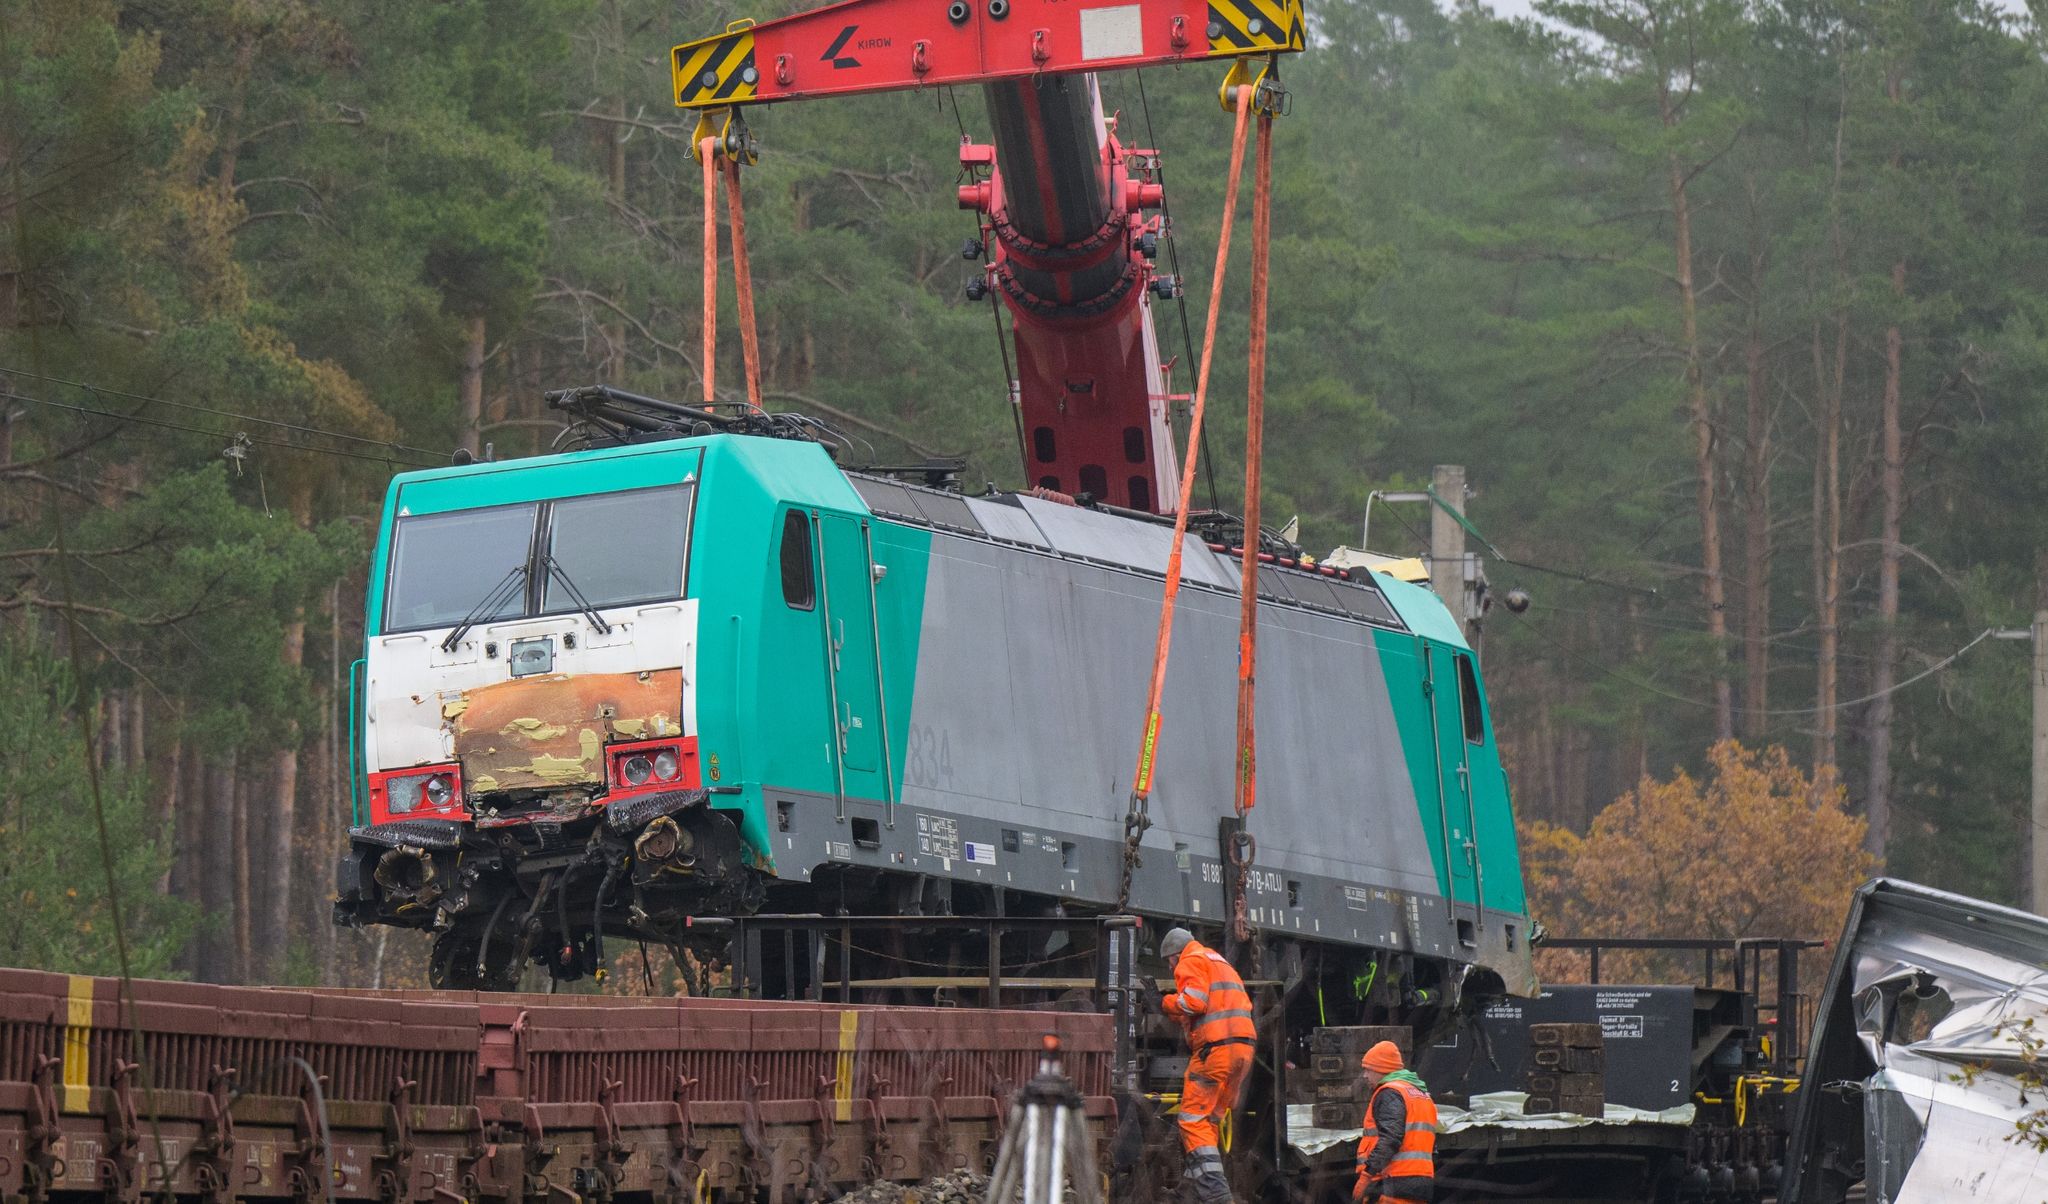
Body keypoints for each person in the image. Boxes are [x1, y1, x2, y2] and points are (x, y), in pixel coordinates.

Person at [1159, 927, 1255, 1204]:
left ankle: (1217, 1195)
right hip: (1242, 1051)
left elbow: (1194, 1002)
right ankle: (1187, 1193)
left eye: (1169, 961)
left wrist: (1164, 1003)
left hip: (1215, 1052)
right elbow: (1212, 1008)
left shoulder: (1190, 959)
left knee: (1191, 1121)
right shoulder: (1218, 961)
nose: (1170, 967)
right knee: (1210, 1120)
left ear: (1176, 954)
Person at [1352, 1040, 1437, 1202]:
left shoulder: (1390, 1093)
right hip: (1421, 1182)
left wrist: (1366, 1176)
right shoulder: (1420, 1093)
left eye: (1368, 1070)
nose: (1365, 1075)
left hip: (1394, 1181)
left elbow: (1391, 1138)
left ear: (1381, 1069)